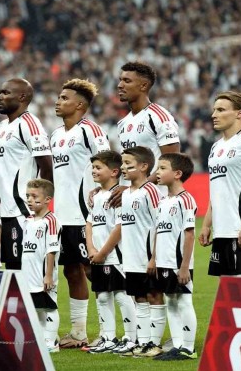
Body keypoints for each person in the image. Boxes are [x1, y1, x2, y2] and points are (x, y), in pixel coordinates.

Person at [50, 78, 110, 348]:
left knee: (94, 271)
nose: (58, 101)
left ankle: (111, 332)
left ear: (80, 105)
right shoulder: (55, 135)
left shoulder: (90, 131)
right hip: (61, 216)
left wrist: (104, 199)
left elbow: (109, 164)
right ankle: (78, 332)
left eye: (65, 98)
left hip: (85, 215)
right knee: (71, 272)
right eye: (59, 97)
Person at [0, 78, 53, 270]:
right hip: (1, 209)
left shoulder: (29, 124)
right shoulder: (1, 127)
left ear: (22, 97)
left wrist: (41, 204)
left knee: (23, 270)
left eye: (5, 93)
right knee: (8, 269)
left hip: (20, 210)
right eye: (0, 92)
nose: (0, 97)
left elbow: (46, 165)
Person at [199, 91, 241, 276]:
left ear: (239, 113)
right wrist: (207, 224)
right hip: (221, 230)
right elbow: (217, 189)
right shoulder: (216, 147)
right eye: (214, 110)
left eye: (221, 110)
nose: (213, 115)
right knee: (226, 286)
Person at [85, 151, 137, 354]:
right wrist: (91, 249)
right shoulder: (96, 195)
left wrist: (103, 252)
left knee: (122, 295)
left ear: (114, 172)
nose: (94, 171)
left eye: (98, 167)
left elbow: (119, 227)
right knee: (102, 297)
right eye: (93, 167)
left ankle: (131, 338)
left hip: (115, 256)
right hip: (97, 255)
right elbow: (89, 223)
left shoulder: (119, 196)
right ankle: (108, 338)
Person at [118, 147, 166, 358]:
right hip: (131, 256)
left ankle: (155, 343)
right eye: (122, 163)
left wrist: (154, 257)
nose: (123, 167)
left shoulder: (151, 191)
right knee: (138, 298)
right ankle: (143, 342)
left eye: (128, 164)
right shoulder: (125, 194)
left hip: (147, 256)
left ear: (144, 166)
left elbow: (159, 224)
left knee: (154, 296)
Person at [152, 153, 198, 361]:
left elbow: (189, 234)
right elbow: (158, 232)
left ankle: (188, 348)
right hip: (163, 261)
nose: (157, 172)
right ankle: (177, 345)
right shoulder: (163, 201)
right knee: (170, 300)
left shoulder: (185, 200)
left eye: (162, 168)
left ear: (177, 174)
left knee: (184, 301)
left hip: (178, 263)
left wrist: (185, 266)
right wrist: (154, 258)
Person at [116, 62, 180, 181]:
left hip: (154, 192)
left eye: (127, 81)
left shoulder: (159, 117)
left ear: (143, 86)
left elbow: (173, 162)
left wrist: (141, 187)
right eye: (120, 80)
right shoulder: (122, 123)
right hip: (130, 192)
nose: (120, 85)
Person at [22, 179, 61, 353]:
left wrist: (48, 275)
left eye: (34, 196)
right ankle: (42, 338)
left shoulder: (50, 220)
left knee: (49, 306)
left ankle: (51, 342)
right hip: (28, 273)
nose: (30, 200)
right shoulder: (27, 220)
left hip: (43, 273)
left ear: (47, 200)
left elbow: (51, 250)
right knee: (36, 307)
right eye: (28, 196)